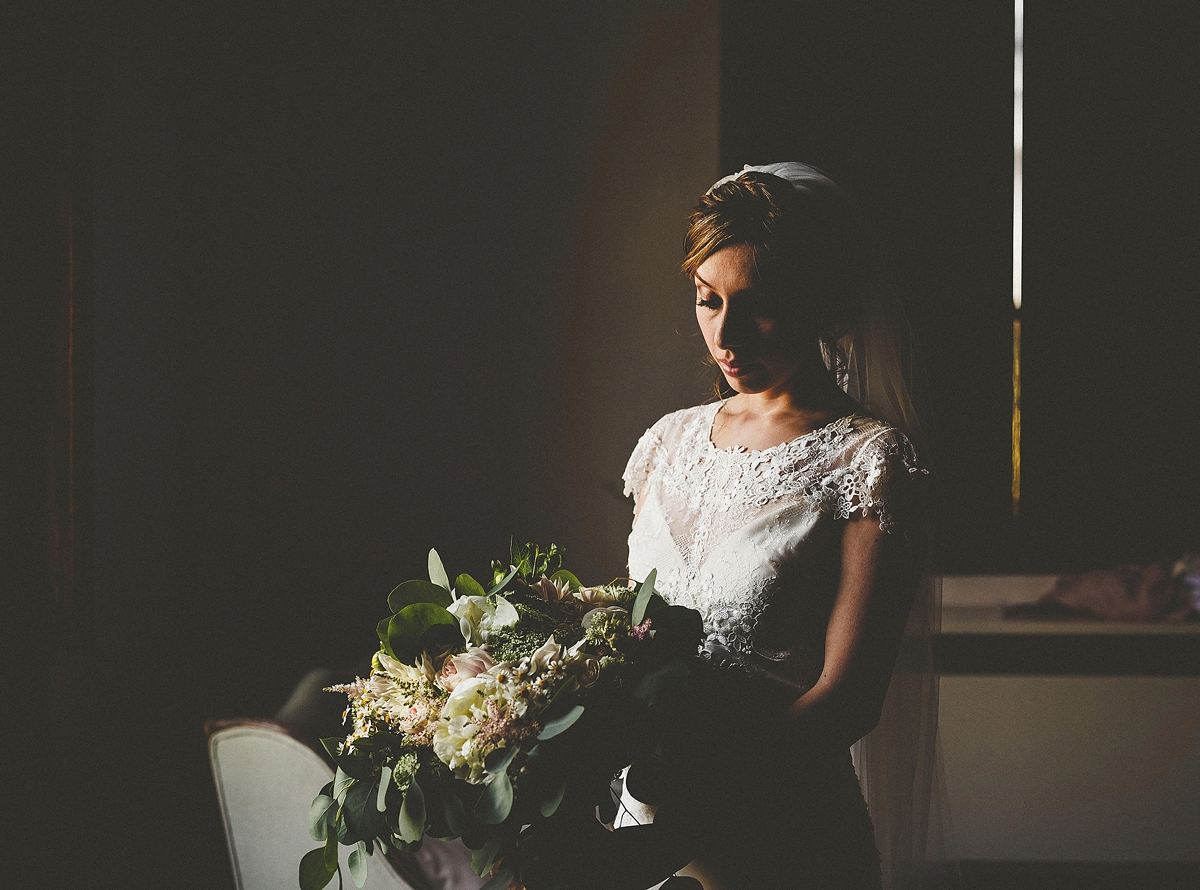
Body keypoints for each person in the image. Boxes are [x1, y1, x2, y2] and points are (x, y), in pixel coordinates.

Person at [524, 163, 939, 890]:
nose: (727, 334)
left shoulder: (869, 459)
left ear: (821, 300)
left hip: (781, 830)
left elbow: (847, 699)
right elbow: (629, 631)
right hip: (639, 821)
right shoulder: (668, 441)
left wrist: (697, 791)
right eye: (707, 301)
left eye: (759, 304)